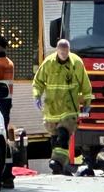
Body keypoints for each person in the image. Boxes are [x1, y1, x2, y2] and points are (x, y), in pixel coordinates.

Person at [33, 39, 93, 175]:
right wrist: (37, 95)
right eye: (62, 53)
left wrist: (88, 102)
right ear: (57, 51)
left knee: (63, 134)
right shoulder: (48, 63)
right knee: (55, 138)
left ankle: (57, 161)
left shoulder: (76, 63)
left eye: (66, 53)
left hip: (69, 108)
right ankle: (60, 167)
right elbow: (38, 82)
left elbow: (85, 84)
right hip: (52, 108)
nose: (64, 56)